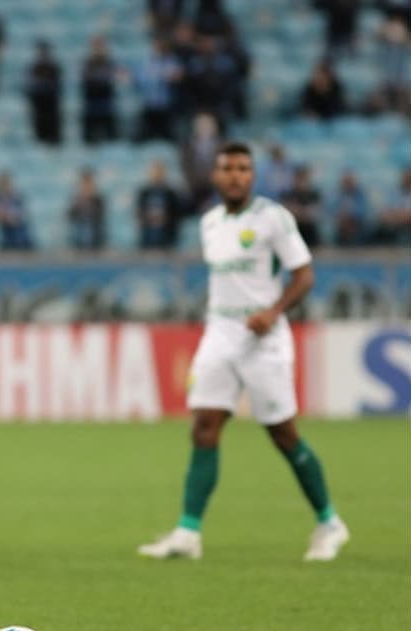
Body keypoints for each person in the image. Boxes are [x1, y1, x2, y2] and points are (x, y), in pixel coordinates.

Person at [138, 142, 349, 562]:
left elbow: (304, 276)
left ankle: (330, 523)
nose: (234, 175)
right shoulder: (211, 222)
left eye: (242, 168)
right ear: (215, 177)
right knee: (204, 427)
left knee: (283, 434)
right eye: (227, 168)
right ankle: (188, 532)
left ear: (252, 176)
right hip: (220, 332)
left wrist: (272, 311)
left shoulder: (273, 218)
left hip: (262, 338)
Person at [81, 35, 121, 144]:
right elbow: (88, 79)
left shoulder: (109, 62)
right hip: (92, 102)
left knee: (110, 133)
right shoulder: (88, 63)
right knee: (90, 135)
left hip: (106, 102)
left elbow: (115, 77)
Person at [136, 160, 182, 250]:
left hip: (166, 235)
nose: (156, 175)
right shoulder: (144, 193)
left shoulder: (171, 194)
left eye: (159, 172)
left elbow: (176, 214)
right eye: (154, 172)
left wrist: (165, 218)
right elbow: (139, 212)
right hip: (148, 235)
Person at [25, 40, 63, 145]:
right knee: (39, 130)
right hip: (39, 105)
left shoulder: (54, 68)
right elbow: (31, 86)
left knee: (52, 128)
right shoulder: (34, 68)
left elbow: (57, 86)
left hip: (51, 105)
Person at [0, 171, 33, 251]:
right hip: (6, 238)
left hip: (21, 238)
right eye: (1, 184)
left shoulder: (16, 198)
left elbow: (16, 218)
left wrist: (5, 215)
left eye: (5, 184)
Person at [281, 165, 323, 247]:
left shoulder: (315, 195)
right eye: (299, 178)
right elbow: (284, 215)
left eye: (304, 179)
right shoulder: (287, 194)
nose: (301, 182)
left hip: (310, 235)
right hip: (292, 234)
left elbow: (315, 215)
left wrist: (298, 211)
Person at [66, 168, 106, 250]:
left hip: (94, 233)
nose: (86, 187)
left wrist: (88, 204)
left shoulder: (98, 200)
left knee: (89, 228)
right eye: (84, 184)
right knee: (81, 229)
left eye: (89, 184)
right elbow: (71, 216)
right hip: (79, 231)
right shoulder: (76, 199)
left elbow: (99, 217)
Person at [332, 170, 369, 247]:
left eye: (350, 181)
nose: (348, 184)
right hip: (342, 226)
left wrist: (350, 213)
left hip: (356, 225)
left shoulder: (360, 194)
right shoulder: (338, 194)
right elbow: (332, 211)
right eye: (346, 181)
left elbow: (363, 212)